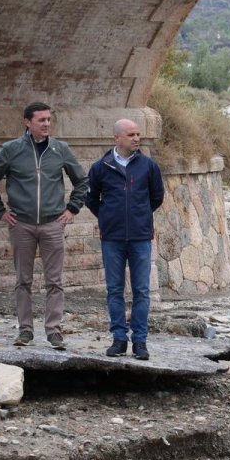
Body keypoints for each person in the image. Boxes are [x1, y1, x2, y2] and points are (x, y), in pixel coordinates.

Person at [0, 102, 88, 349]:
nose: (47, 124)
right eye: (41, 120)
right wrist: (0, 211)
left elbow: (82, 180)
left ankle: (53, 331)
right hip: (22, 225)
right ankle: (25, 331)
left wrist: (72, 209)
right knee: (23, 280)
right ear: (27, 122)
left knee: (55, 281)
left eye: (49, 119)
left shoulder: (60, 149)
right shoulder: (11, 150)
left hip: (52, 224)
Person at [85, 119, 164, 360]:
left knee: (141, 291)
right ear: (117, 138)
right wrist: (109, 217)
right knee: (114, 290)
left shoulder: (149, 166)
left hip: (140, 237)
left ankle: (140, 342)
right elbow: (92, 199)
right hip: (112, 238)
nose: (136, 138)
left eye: (138, 134)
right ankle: (119, 339)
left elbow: (156, 197)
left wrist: (139, 217)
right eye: (131, 134)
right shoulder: (100, 167)